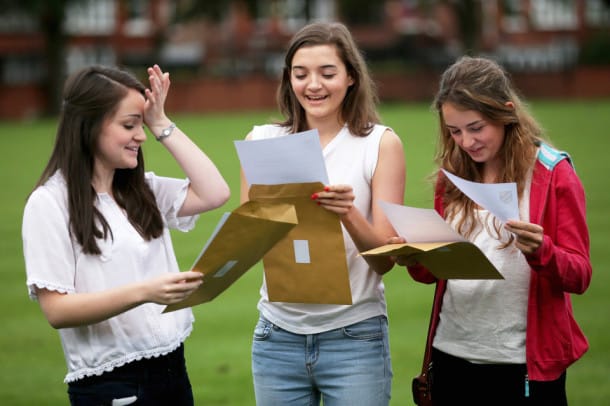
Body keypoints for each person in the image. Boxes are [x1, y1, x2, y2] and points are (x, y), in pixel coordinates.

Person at [22, 64, 230, 405]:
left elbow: (215, 192)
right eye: (130, 125)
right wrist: (145, 291)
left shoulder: (141, 189)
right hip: (112, 386)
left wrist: (162, 123)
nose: (142, 136)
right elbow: (57, 311)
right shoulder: (49, 204)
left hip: (173, 370)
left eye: (142, 124)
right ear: (89, 126)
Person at [392, 56, 591, 405]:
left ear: (506, 113)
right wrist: (412, 255)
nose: (466, 141)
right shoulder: (451, 178)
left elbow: (580, 276)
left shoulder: (554, 174)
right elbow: (434, 274)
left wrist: (541, 251)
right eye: (454, 132)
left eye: (476, 127)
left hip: (521, 367)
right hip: (451, 356)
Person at [239, 22, 405, 405]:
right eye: (301, 74)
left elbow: (385, 262)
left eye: (327, 73)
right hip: (275, 338)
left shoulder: (380, 143)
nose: (313, 85)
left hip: (354, 337)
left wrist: (348, 213)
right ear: (288, 80)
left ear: (350, 77)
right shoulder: (262, 141)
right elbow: (248, 242)